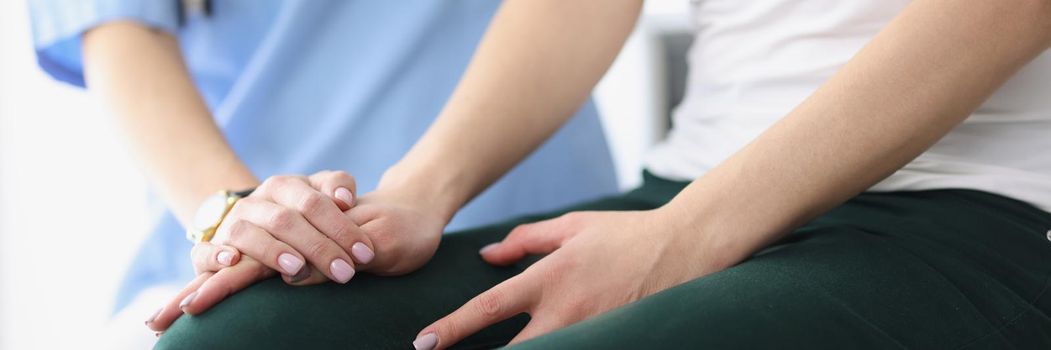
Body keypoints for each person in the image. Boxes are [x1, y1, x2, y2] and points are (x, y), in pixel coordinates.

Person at [152, 0, 1051, 348]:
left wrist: (688, 236)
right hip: (686, 181)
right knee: (239, 340)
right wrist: (416, 191)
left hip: (969, 212)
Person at [27, 0, 617, 347]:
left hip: (525, 223)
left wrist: (425, 189)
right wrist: (244, 213)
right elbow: (117, 29)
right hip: (222, 229)